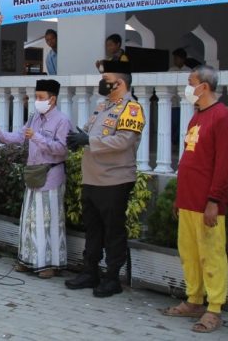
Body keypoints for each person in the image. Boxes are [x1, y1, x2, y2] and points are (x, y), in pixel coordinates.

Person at [161, 66, 228, 334]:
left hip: (207, 202)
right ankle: (194, 299)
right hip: (188, 199)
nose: (188, 87)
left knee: (212, 255)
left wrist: (214, 200)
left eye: (191, 82)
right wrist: (179, 196)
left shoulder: (222, 117)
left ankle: (214, 308)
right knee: (189, 254)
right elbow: (189, 159)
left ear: (204, 86)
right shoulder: (196, 117)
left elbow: (223, 163)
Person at [65, 60, 143, 297]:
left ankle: (112, 277)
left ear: (119, 83)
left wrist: (88, 141)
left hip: (115, 179)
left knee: (113, 230)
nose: (102, 84)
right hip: (92, 177)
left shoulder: (132, 109)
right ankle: (90, 271)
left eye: (105, 80)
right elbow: (90, 133)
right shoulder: (103, 106)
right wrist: (79, 137)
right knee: (93, 228)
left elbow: (124, 141)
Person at [0, 79, 71, 278]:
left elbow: (61, 150)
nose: (37, 101)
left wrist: (37, 137)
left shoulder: (62, 121)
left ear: (53, 99)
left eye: (41, 97)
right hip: (34, 174)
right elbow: (20, 137)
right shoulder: (34, 117)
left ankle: (49, 265)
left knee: (48, 221)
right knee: (29, 220)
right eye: (37, 97)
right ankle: (27, 260)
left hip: (51, 175)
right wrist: (0, 135)